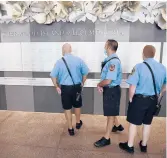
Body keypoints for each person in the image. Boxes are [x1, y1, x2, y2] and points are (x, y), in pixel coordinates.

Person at [119, 45, 166, 153]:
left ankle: (130, 146)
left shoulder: (139, 67)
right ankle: (144, 145)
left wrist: (131, 98)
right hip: (153, 100)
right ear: (154, 54)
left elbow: (132, 87)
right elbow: (166, 86)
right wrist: (160, 92)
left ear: (143, 54)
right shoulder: (162, 67)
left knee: (133, 123)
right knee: (147, 123)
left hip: (139, 100)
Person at [50, 43, 89, 136]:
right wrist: (82, 83)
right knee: (77, 105)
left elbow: (53, 76)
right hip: (76, 87)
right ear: (70, 49)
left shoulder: (59, 62)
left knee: (67, 108)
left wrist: (56, 86)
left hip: (65, 88)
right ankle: (78, 123)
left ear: (63, 50)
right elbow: (86, 72)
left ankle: (70, 128)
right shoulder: (78, 60)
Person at [94, 39, 124, 148]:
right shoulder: (110, 60)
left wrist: (99, 84)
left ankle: (106, 138)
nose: (104, 47)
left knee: (110, 115)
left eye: (105, 45)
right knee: (111, 110)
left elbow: (108, 80)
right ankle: (117, 125)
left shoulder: (113, 62)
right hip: (110, 91)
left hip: (112, 90)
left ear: (108, 46)